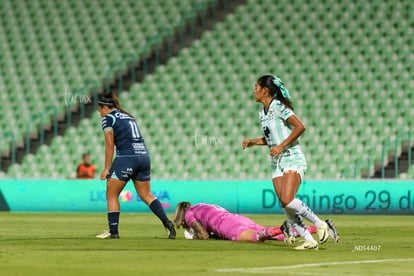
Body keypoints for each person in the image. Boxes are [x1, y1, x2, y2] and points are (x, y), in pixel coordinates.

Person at [242, 75, 339, 250]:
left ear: (265, 90)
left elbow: (300, 126)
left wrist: (281, 146)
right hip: (277, 161)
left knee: (287, 199)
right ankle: (309, 240)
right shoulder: (262, 113)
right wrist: (254, 142)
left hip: (291, 156)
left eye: (256, 87)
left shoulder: (278, 106)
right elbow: (272, 138)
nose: (253, 90)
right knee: (285, 204)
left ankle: (319, 223)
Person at [95, 92, 176, 239]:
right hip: (144, 157)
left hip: (127, 158)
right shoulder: (128, 116)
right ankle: (167, 223)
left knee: (111, 194)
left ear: (103, 107)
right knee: (146, 195)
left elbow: (109, 143)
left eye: (99, 109)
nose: (98, 112)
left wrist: (106, 168)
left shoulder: (108, 119)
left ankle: (113, 232)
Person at [173, 202, 337, 243]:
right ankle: (321, 226)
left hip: (228, 227)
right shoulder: (202, 205)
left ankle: (282, 227)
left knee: (258, 237)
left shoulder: (189, 214)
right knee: (275, 237)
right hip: (238, 218)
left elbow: (203, 235)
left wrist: (195, 237)